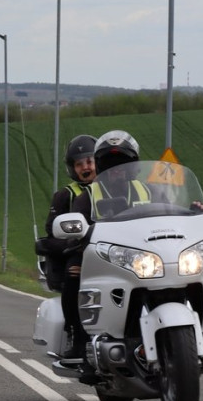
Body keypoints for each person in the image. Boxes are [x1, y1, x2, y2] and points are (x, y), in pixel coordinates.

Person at [62, 130, 149, 363]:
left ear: (134, 166)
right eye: (110, 165)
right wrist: (78, 242)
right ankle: (80, 340)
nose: (117, 170)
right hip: (101, 257)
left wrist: (194, 209)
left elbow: (169, 212)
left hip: (143, 257)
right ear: (102, 168)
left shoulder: (148, 190)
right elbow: (72, 232)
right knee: (74, 274)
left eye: (123, 164)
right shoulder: (87, 196)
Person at [37, 135, 97, 358]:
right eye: (80, 164)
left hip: (115, 251)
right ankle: (76, 335)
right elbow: (52, 231)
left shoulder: (118, 189)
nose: (86, 168)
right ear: (73, 168)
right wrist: (72, 245)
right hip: (80, 252)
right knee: (74, 273)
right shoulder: (66, 195)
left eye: (89, 162)